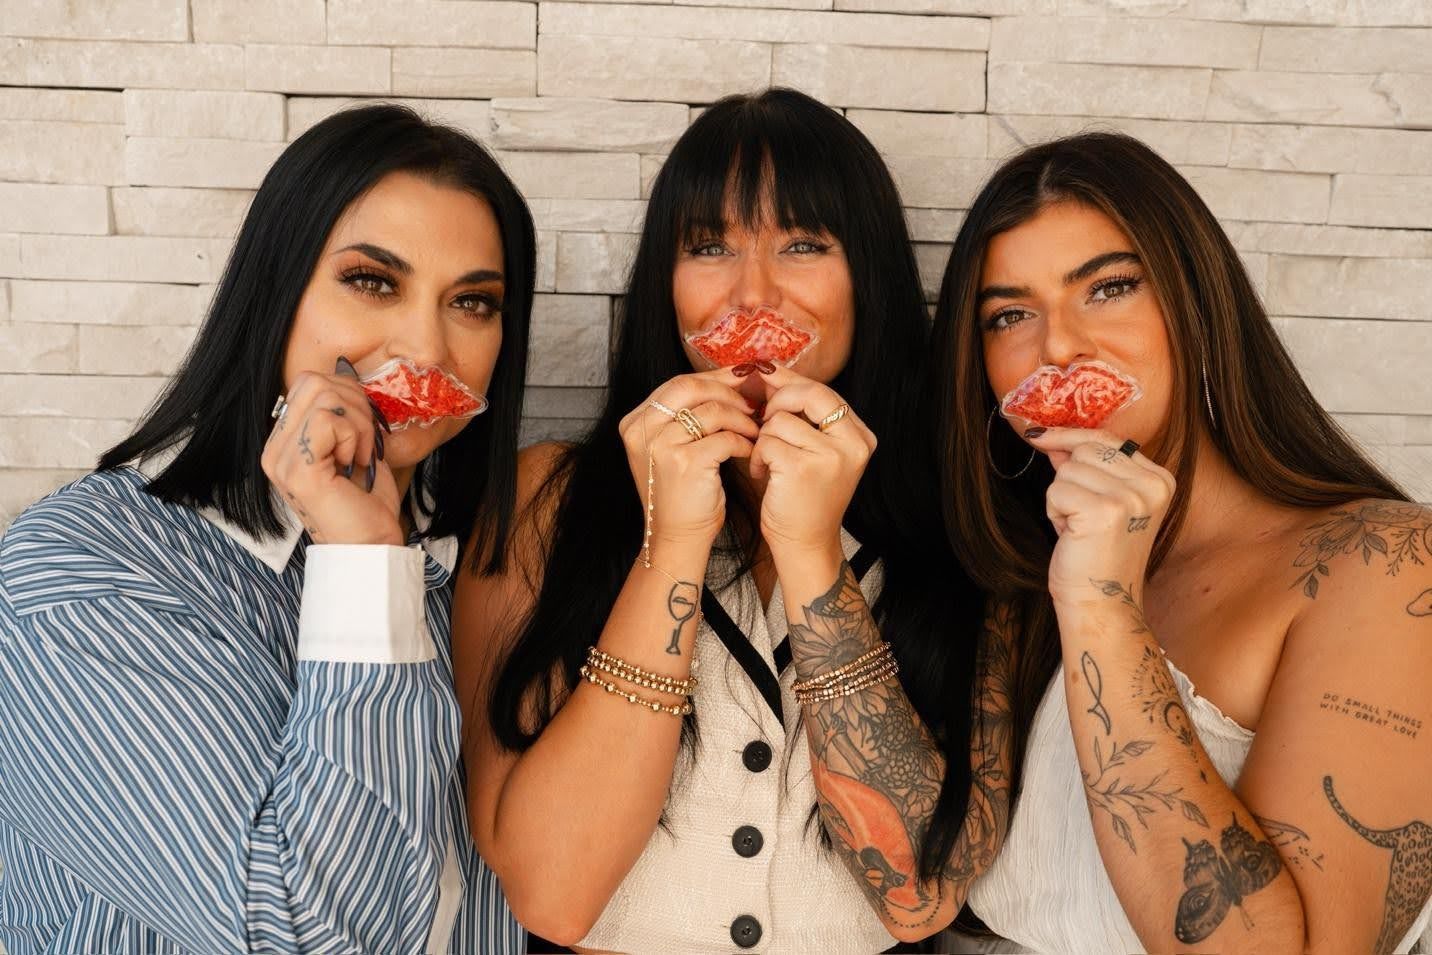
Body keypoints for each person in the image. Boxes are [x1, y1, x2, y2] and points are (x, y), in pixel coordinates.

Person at [452, 88, 1013, 953]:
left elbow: (920, 897)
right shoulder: (545, 499)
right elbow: (551, 895)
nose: (752, 294)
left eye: (802, 243)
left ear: (869, 277)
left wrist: (812, 553)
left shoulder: (965, 522)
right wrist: (671, 543)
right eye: (709, 245)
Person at [0, 105, 534, 955]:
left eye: (473, 301)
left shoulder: (477, 576)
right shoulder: (71, 577)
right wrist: (362, 565)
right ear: (275, 293)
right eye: (372, 280)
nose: (427, 347)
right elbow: (302, 934)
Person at [930, 131, 1432, 953]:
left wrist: (1102, 605)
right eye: (1009, 315)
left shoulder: (1384, 565)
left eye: (1109, 288)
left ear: (1198, 302)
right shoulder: (1014, 584)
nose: (1058, 347)